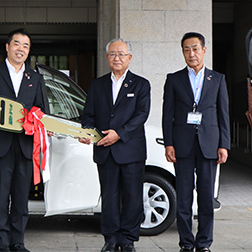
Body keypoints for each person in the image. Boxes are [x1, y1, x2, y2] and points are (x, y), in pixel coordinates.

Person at [0, 28, 48, 252]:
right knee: (0, 198)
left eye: (25, 46)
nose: (21, 49)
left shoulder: (35, 78)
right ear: (7, 47)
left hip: (25, 145)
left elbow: (41, 109)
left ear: (28, 51)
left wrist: (37, 118)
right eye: (17, 44)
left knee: (20, 198)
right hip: (0, 144)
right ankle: (2, 243)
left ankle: (18, 241)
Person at [80, 38, 151, 252]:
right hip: (105, 150)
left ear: (129, 57)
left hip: (131, 150)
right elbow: (88, 115)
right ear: (107, 58)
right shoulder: (98, 84)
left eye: (121, 54)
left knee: (132, 197)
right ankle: (110, 239)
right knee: (109, 197)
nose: (116, 58)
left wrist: (119, 134)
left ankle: (128, 239)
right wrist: (87, 133)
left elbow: (141, 115)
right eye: (112, 54)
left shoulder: (141, 84)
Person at [162, 32, 230, 252]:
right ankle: (186, 243)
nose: (191, 53)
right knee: (183, 198)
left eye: (194, 48)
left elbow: (223, 114)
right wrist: (168, 143)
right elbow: (167, 114)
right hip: (182, 145)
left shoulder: (217, 78)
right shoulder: (174, 79)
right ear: (182, 52)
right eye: (186, 49)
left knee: (206, 199)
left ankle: (203, 244)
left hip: (209, 144)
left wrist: (224, 145)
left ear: (204, 50)